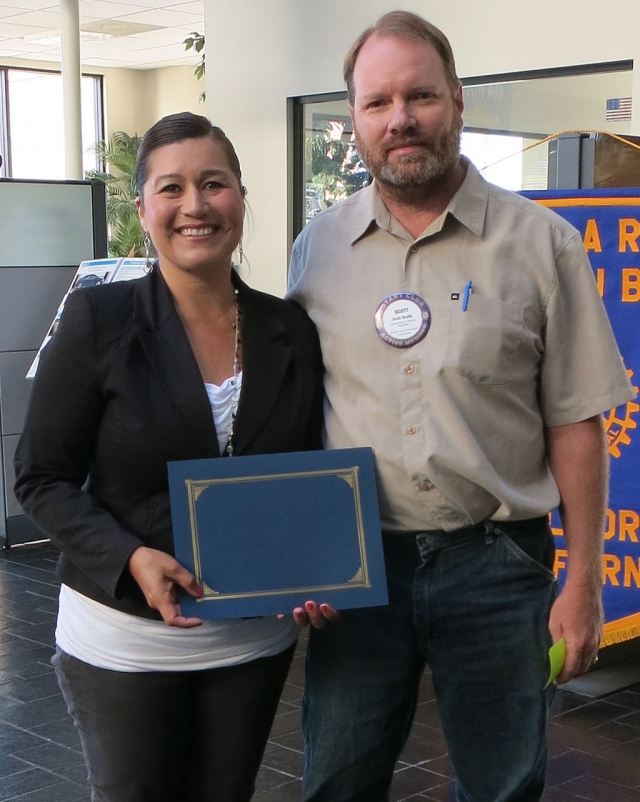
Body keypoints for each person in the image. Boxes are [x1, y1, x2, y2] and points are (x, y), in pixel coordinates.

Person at [288, 11, 636, 802]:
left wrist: (583, 581)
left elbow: (577, 422)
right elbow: (298, 412)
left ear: (458, 103)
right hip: (359, 571)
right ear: (355, 123)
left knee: (502, 785)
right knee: (337, 784)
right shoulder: (318, 249)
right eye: (378, 103)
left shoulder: (542, 245)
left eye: (420, 96)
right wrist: (298, 558)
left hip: (498, 566)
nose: (400, 119)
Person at [14, 111, 324, 802]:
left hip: (253, 641)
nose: (195, 205)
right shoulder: (100, 321)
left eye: (213, 184)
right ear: (143, 207)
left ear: (241, 197)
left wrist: (322, 567)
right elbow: (41, 477)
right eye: (172, 187)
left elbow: (305, 472)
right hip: (125, 638)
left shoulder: (289, 328)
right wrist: (128, 556)